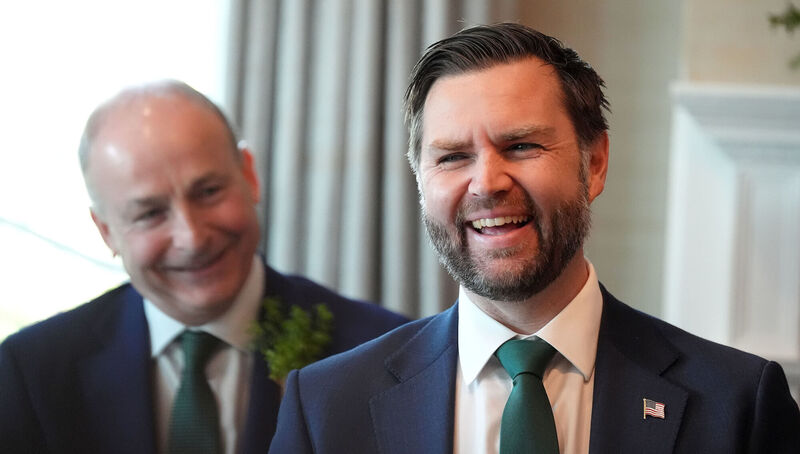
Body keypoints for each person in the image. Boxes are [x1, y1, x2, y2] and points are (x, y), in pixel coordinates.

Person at [268, 23, 800, 453]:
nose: (487, 183)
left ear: (594, 164)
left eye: (521, 146)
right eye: (453, 157)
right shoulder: (325, 407)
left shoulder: (737, 405)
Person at [0, 80, 408, 454]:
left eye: (209, 192)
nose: (192, 237)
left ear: (249, 175)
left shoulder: (389, 353)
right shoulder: (31, 374)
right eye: (150, 214)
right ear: (106, 231)